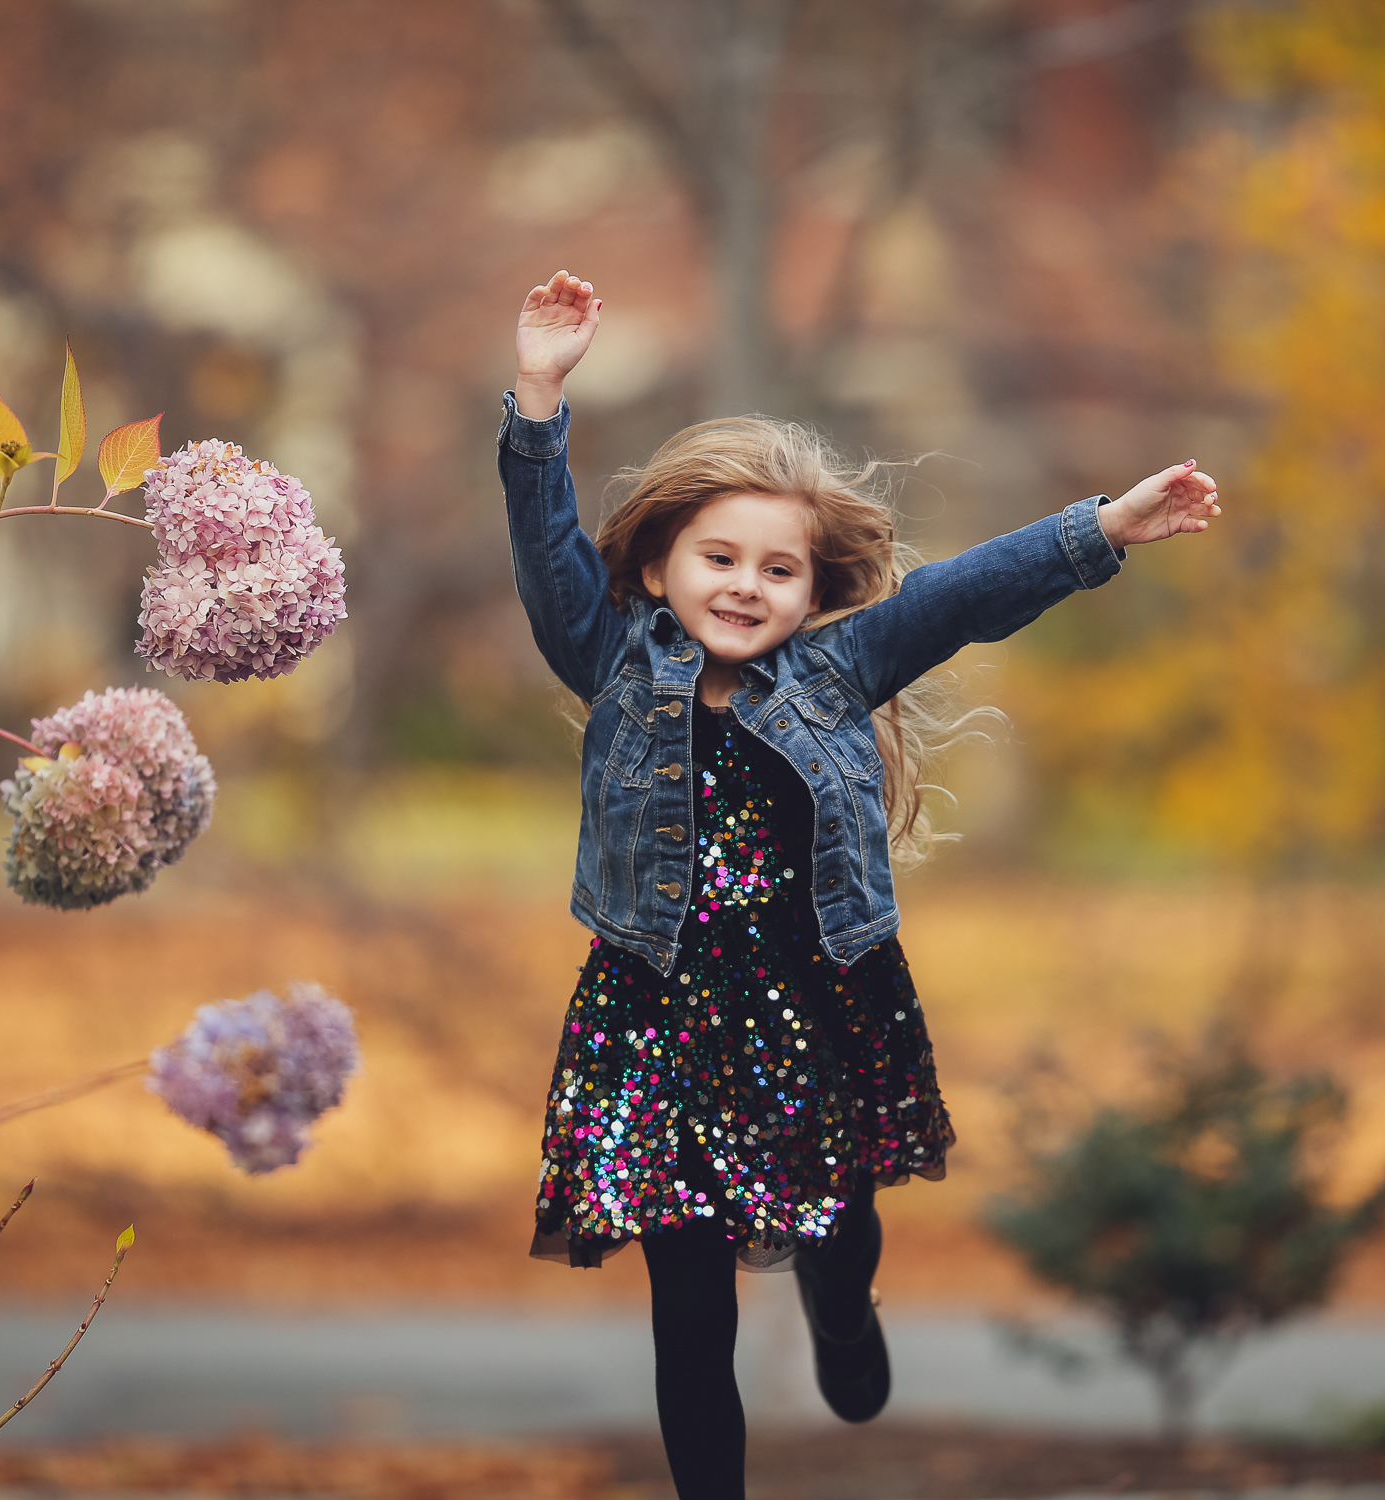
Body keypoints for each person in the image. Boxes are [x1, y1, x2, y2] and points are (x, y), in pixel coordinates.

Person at [500, 269, 1221, 1498]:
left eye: (776, 571)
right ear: (663, 564)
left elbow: (959, 597)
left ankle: (845, 1314)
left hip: (815, 1009)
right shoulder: (612, 657)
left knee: (836, 1224)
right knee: (688, 1287)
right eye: (717, 557)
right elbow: (544, 544)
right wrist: (537, 393)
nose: (743, 585)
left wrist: (1101, 528)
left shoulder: (837, 671)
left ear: (813, 592)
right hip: (657, 1015)